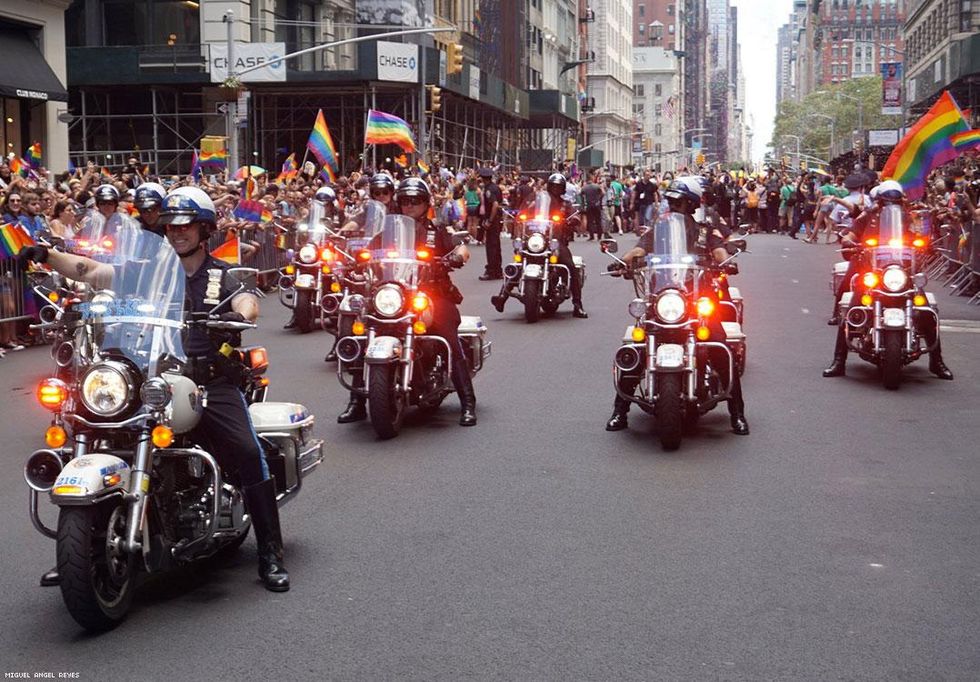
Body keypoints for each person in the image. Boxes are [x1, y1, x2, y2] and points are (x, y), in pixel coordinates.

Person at [19, 186, 291, 592]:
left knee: (249, 453)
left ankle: (270, 553)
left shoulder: (220, 275)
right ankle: (80, 552)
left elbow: (247, 301)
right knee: (89, 429)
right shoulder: (144, 269)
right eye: (170, 225)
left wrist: (239, 314)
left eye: (185, 225)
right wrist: (47, 256)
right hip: (147, 378)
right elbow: (91, 271)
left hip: (203, 379)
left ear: (204, 229)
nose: (177, 232)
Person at [604, 176, 749, 436]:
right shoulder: (658, 229)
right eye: (670, 200)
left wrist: (726, 262)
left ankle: (737, 413)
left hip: (697, 298)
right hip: (663, 297)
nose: (672, 205)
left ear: (690, 204)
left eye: (678, 201)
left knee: (720, 348)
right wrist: (622, 262)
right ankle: (619, 411)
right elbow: (638, 250)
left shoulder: (704, 230)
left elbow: (718, 252)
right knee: (637, 346)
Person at [338, 177, 478, 426]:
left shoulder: (437, 232)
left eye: (415, 201)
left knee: (448, 335)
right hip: (392, 296)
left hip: (431, 294)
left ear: (425, 203)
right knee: (364, 332)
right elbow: (366, 254)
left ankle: (468, 402)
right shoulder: (386, 234)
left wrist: (457, 256)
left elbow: (461, 248)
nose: (409, 206)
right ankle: (357, 403)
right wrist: (353, 261)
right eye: (405, 201)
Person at [822, 180, 953, 381]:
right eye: (887, 201)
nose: (891, 204)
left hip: (901, 273)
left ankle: (937, 362)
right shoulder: (867, 216)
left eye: (895, 201)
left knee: (927, 312)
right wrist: (848, 239)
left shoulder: (908, 217)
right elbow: (850, 233)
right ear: (881, 201)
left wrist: (925, 244)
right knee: (852, 310)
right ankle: (839, 361)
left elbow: (920, 236)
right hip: (872, 272)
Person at [491, 173, 587, 318]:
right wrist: (519, 216)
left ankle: (577, 305)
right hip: (535, 240)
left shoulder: (565, 204)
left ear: (562, 188)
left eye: (558, 186)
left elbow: (575, 216)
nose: (555, 189)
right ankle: (502, 298)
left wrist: (573, 220)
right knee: (518, 264)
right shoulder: (537, 201)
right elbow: (524, 211)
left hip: (555, 242)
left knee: (571, 267)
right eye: (553, 186)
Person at [479, 170, 504, 281]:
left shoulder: (489, 190)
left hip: (492, 221)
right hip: (497, 220)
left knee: (491, 247)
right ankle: (498, 270)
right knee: (496, 246)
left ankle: (491, 271)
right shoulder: (496, 187)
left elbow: (495, 204)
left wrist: (489, 220)